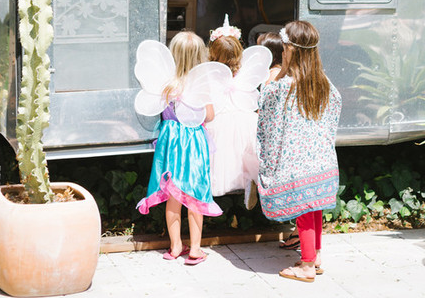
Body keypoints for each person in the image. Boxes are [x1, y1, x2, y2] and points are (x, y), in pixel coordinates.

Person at [257, 20, 341, 283]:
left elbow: (266, 120)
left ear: (290, 50)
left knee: (304, 212)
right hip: (322, 161)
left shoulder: (281, 86)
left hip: (297, 163)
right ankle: (314, 257)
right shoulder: (324, 83)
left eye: (284, 46)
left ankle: (305, 266)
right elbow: (334, 114)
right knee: (314, 210)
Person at [136, 30, 222, 265]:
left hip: (170, 141)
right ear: (199, 56)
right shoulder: (201, 85)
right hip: (193, 142)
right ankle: (195, 249)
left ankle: (175, 247)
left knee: (173, 195)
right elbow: (210, 116)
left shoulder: (166, 85)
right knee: (194, 195)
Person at [206, 27, 260, 205]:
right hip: (244, 118)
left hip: (220, 119)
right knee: (246, 153)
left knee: (222, 157)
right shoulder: (243, 74)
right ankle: (249, 181)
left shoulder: (210, 74)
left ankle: (211, 191)